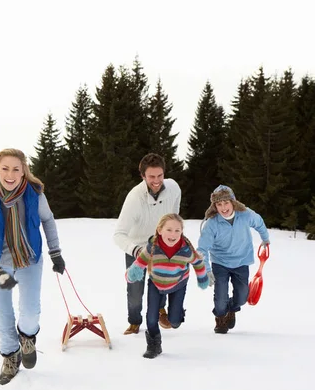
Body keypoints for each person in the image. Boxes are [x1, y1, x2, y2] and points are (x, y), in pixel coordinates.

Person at [0, 148, 65, 385]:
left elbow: (47, 219)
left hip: (29, 258)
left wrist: (55, 252)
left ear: (24, 171)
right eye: (5, 168)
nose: (10, 174)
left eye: (15, 169)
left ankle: (27, 337)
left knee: (30, 311)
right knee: (3, 313)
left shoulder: (35, 194)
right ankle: (10, 356)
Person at [114, 153, 181, 335]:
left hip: (160, 246)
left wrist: (171, 236)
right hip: (136, 247)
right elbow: (118, 234)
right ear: (143, 176)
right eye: (151, 176)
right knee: (135, 291)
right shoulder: (134, 198)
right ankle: (135, 322)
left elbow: (174, 215)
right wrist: (136, 250)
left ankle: (160, 310)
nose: (156, 180)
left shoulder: (173, 188)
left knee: (162, 282)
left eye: (160, 175)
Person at [126, 214, 209, 358]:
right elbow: (140, 262)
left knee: (174, 322)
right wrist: (133, 273)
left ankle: (176, 314)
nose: (173, 234)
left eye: (178, 231)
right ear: (159, 230)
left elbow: (198, 262)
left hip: (178, 284)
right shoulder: (153, 248)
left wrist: (202, 278)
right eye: (169, 230)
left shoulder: (186, 250)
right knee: (151, 318)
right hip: (156, 283)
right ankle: (154, 345)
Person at [197, 184, 270, 334]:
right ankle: (221, 316)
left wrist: (265, 238)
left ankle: (232, 308)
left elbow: (259, 222)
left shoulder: (245, 215)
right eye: (219, 204)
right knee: (220, 297)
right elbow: (202, 250)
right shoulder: (211, 224)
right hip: (220, 263)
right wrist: (207, 271)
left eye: (226, 203)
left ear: (233, 202)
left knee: (243, 296)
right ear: (215, 205)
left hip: (241, 261)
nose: (223, 208)